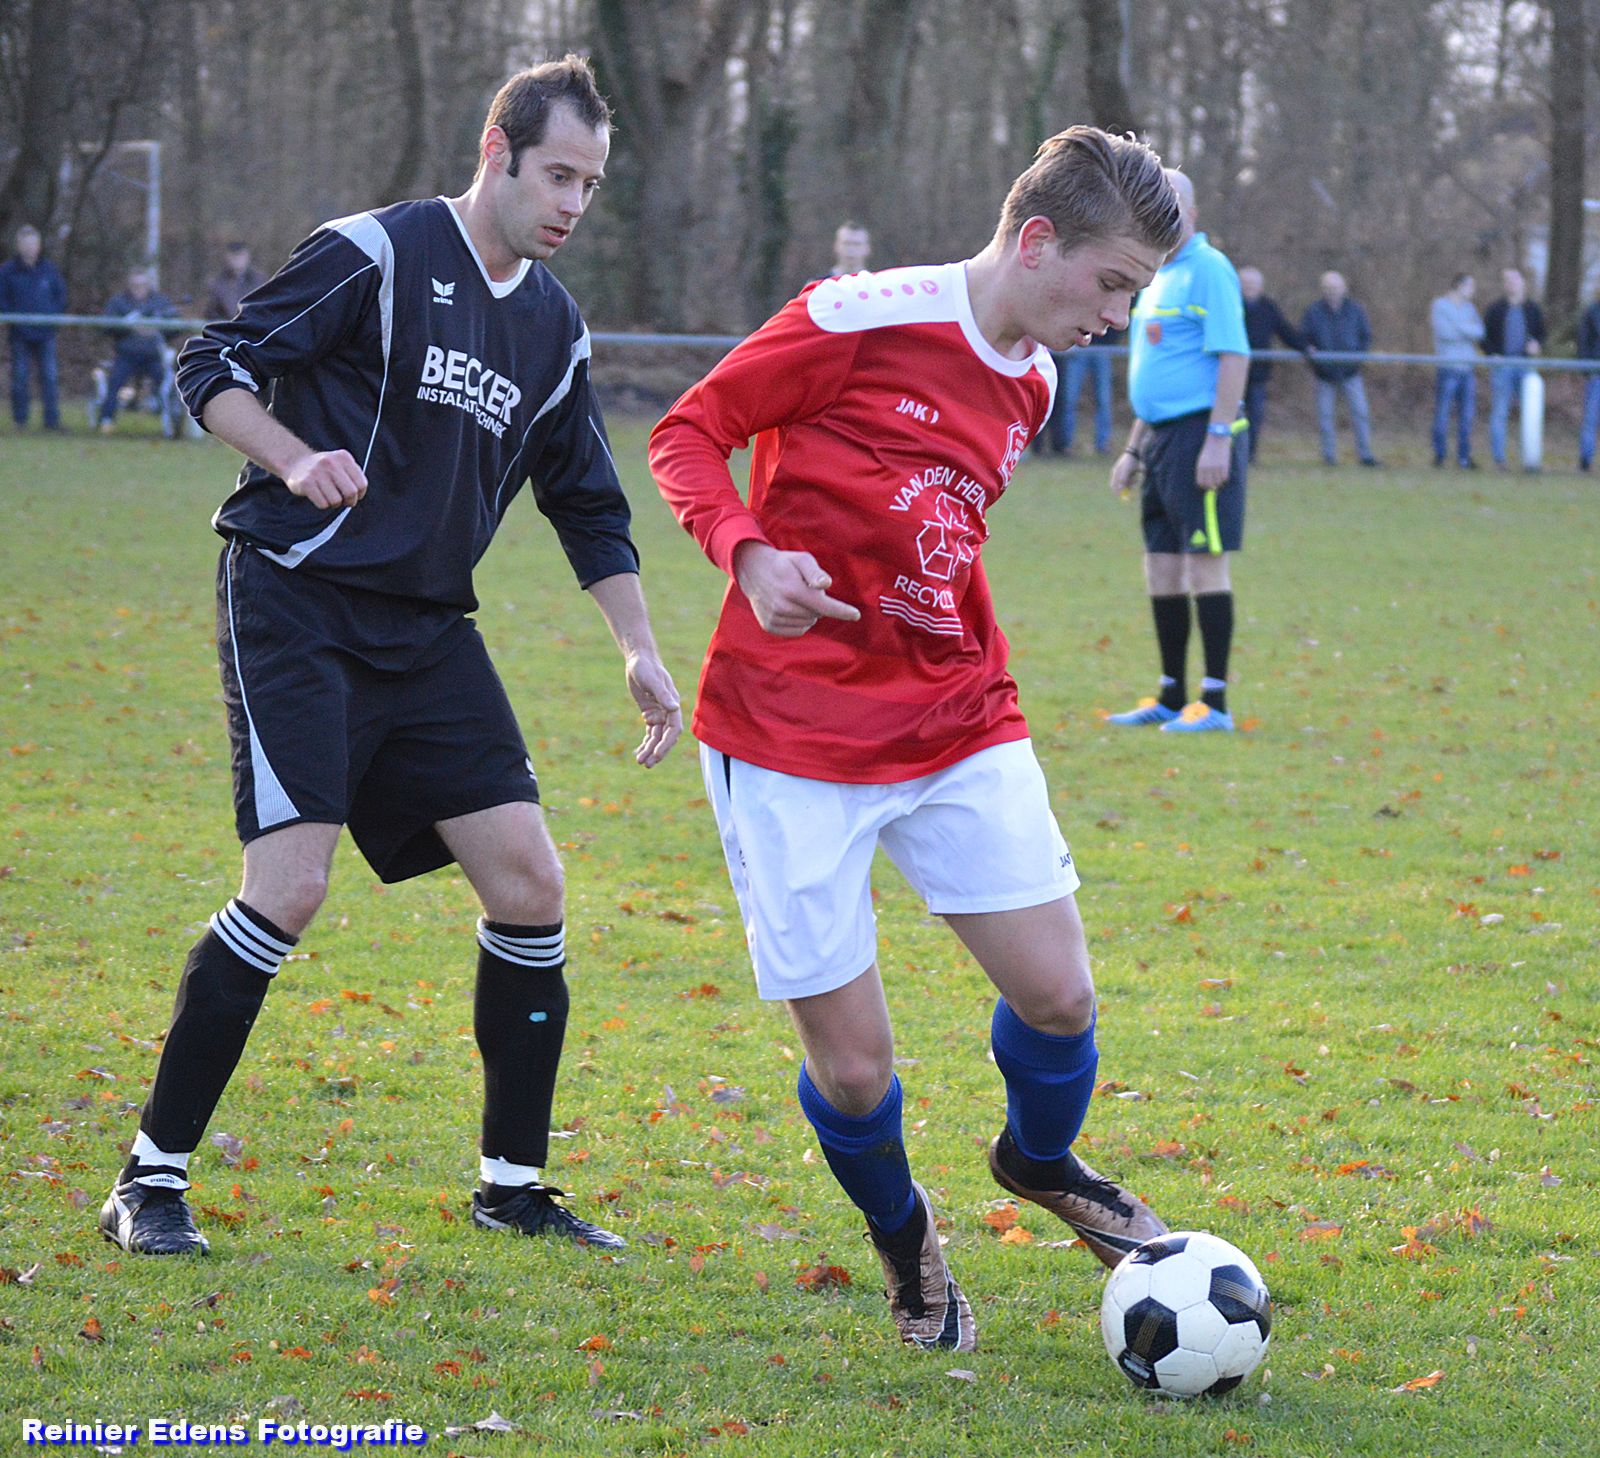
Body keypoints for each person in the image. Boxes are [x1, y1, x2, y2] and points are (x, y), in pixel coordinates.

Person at [98, 56, 682, 1258]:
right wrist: (291, 457)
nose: (573, 203)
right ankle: (146, 1183)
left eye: (591, 184)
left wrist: (637, 647)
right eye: (557, 175)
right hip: (297, 600)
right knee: (289, 887)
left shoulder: (554, 328)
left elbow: (587, 501)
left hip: (425, 631)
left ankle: (511, 1188)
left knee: (529, 883)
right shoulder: (376, 252)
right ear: (496, 153)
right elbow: (211, 365)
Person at [650, 125, 1180, 1354]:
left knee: (1060, 997)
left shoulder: (1036, 378)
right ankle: (903, 1235)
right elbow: (686, 434)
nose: (1115, 317)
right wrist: (748, 552)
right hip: (788, 732)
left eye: (1133, 296)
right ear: (1035, 241)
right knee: (853, 1074)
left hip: (955, 714)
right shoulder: (853, 319)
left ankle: (1038, 1162)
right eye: (1110, 284)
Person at [1106, 170, 1249, 735]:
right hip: (1159, 440)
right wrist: (1133, 450)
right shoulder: (1157, 275)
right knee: (1161, 566)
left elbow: (1233, 356)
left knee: (1203, 562)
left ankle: (1215, 703)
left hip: (1198, 436)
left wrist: (1218, 438)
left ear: (1190, 212)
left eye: (1167, 206)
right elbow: (1160, 372)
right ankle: (1171, 694)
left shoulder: (1209, 270)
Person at [1300, 271, 1379, 467]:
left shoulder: (1356, 310)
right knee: (1325, 416)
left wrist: (1356, 359)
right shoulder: (1313, 312)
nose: (1332, 291)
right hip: (1324, 374)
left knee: (1361, 413)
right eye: (1328, 288)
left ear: (1344, 288)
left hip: (1351, 373)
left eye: (1335, 287)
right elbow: (1304, 338)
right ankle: (1329, 456)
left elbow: (1365, 336)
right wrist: (1315, 359)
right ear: (1322, 289)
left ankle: (1366, 455)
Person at [0, 223, 68, 430]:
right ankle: (20, 421)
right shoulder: (8, 271)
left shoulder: (49, 269)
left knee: (50, 377)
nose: (30, 248)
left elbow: (61, 297)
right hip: (19, 334)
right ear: (19, 246)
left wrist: (51, 317)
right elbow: (3, 299)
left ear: (39, 246)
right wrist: (16, 318)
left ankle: (52, 422)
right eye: (26, 244)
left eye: (33, 244)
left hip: (46, 334)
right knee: (20, 377)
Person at [96, 266, 181, 431]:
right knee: (114, 381)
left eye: (142, 285)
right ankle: (106, 420)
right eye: (135, 285)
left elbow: (176, 327)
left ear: (148, 285)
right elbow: (106, 326)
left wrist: (156, 328)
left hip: (153, 356)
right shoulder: (118, 302)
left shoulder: (160, 302)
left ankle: (172, 425)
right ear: (129, 285)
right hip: (126, 355)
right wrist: (128, 327)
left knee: (168, 383)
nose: (138, 289)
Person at [1238, 266, 1305, 464]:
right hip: (1233, 373)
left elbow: (1284, 331)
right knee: (1233, 416)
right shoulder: (1230, 304)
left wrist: (1305, 347)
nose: (1250, 288)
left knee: (1255, 417)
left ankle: (1250, 455)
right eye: (1246, 284)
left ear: (1261, 286)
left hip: (1258, 374)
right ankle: (1234, 454)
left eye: (1253, 284)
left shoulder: (1268, 307)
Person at [1482, 266, 1546, 470]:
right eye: (1507, 280)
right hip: (1503, 367)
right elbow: (1484, 338)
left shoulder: (1533, 309)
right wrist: (1493, 354)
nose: (1512, 284)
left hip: (1526, 366)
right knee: (1500, 412)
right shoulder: (1495, 310)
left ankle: (1530, 459)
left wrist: (1537, 344)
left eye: (1515, 279)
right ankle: (1499, 459)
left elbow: (1542, 334)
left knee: (1530, 414)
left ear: (1523, 282)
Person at [1429, 272, 1483, 469]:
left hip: (1467, 369)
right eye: (1470, 286)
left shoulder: (1470, 308)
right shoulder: (1439, 306)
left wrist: (1457, 326)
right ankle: (1440, 455)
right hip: (1448, 369)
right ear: (1460, 286)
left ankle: (1464, 457)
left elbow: (1480, 332)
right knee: (1442, 414)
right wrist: (1465, 328)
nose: (1473, 291)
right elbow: (1444, 333)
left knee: (1467, 416)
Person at [1046, 327, 1118, 456]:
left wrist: (1110, 340)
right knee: (1069, 400)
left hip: (1102, 349)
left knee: (1103, 400)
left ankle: (1103, 444)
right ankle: (1066, 443)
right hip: (1077, 350)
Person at [203, 240, 267, 321]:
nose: (237, 259)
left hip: (253, 325)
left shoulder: (260, 281)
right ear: (227, 257)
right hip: (226, 326)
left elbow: (266, 308)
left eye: (240, 255)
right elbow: (210, 312)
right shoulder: (217, 283)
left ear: (248, 257)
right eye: (233, 256)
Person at [1577, 288, 1600, 471]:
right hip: (1595, 373)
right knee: (1590, 419)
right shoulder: (1591, 312)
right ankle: (1585, 461)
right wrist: (1587, 369)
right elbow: (1583, 341)